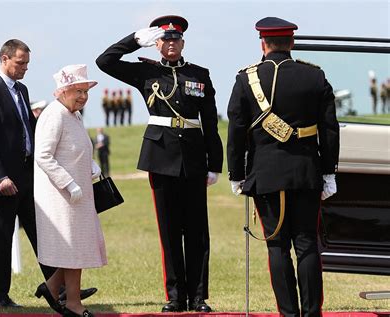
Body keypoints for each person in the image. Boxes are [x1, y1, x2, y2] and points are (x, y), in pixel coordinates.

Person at [96, 15, 223, 313]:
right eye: (164, 40)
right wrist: (132, 39)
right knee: (169, 231)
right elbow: (105, 61)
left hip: (193, 158)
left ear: (183, 42)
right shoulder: (144, 72)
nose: (170, 44)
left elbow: (211, 123)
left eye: (175, 39)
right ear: (157, 44)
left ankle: (198, 297)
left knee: (197, 231)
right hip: (161, 156)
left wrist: (214, 164)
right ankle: (175, 296)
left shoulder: (199, 74)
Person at [226, 17, 340, 317]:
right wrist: (329, 172)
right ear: (292, 43)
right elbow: (330, 129)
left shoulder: (245, 79)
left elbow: (236, 131)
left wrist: (237, 174)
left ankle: (288, 314)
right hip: (306, 172)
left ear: (263, 43)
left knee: (277, 247)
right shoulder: (314, 76)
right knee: (307, 245)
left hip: (266, 175)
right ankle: (312, 313)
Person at [0, 39, 96, 308]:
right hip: (6, 179)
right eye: (20, 63)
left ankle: (59, 288)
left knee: (45, 233)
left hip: (30, 176)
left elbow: (32, 129)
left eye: (27, 63)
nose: (25, 69)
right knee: (3, 238)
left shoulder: (22, 90)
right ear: (4, 59)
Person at [34, 64, 107, 317]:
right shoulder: (54, 114)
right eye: (78, 91)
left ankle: (52, 288)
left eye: (86, 91)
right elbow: (43, 155)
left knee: (76, 248)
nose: (83, 97)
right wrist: (69, 183)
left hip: (77, 194)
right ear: (62, 91)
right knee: (74, 249)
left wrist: (91, 164)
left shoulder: (72, 114)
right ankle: (73, 303)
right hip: (62, 195)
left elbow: (74, 147)